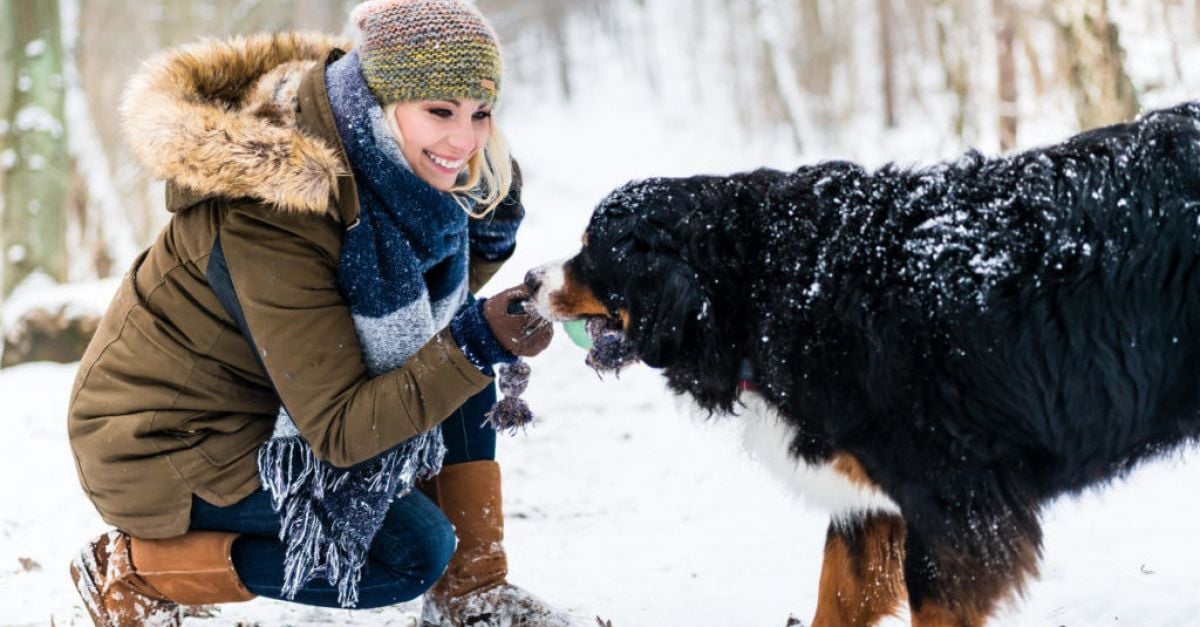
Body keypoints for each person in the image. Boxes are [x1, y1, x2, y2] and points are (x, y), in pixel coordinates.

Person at [66, 1, 574, 625]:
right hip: (166, 445)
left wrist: (486, 250)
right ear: (379, 101)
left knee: (461, 349)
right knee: (407, 551)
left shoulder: (378, 163)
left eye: (480, 114)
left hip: (274, 401)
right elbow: (338, 428)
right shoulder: (275, 213)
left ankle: (472, 592)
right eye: (439, 111)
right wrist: (476, 340)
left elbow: (399, 312)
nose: (465, 140)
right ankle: (134, 569)